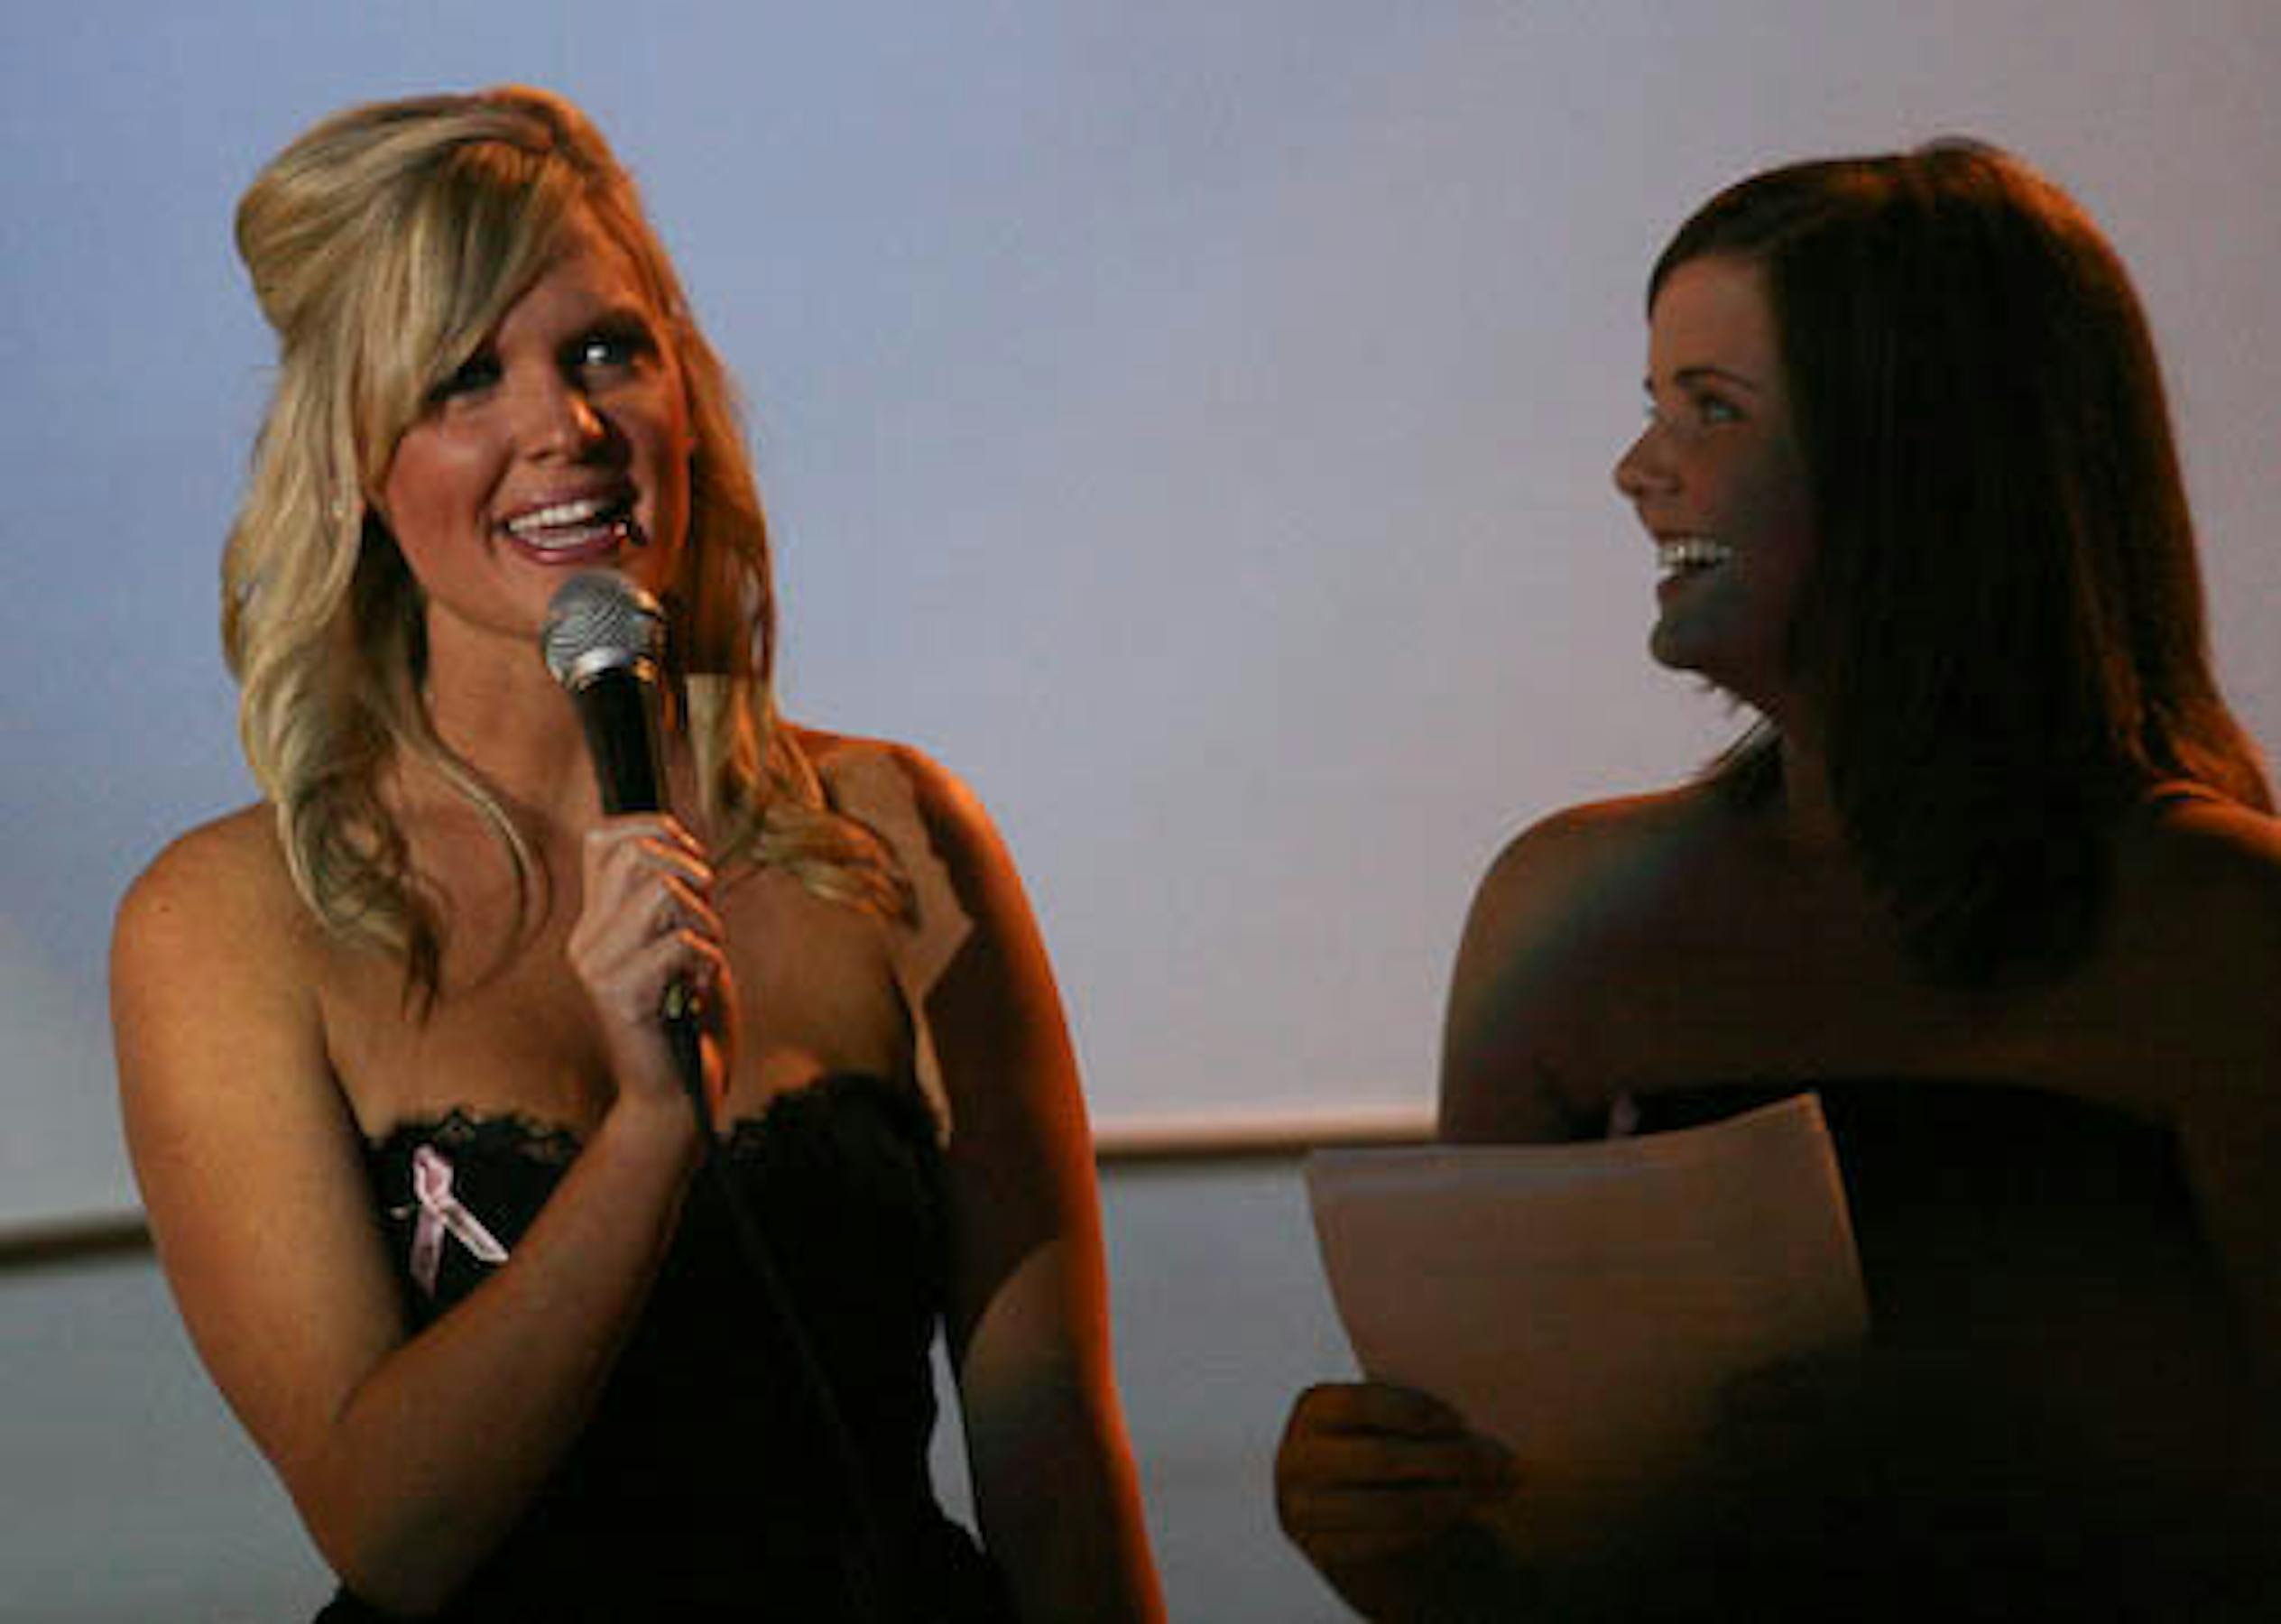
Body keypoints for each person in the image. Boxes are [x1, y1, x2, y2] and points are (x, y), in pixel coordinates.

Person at [113, 86, 1163, 1623]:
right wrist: (651, 1130)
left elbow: (1052, 1455)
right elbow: (393, 1534)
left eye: (607, 351)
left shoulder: (897, 838)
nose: (566, 428)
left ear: (687, 392)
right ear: (354, 466)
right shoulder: (226, 925)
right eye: (466, 378)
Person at [1275, 140, 2281, 1619]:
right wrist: (1380, 1526)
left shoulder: (2218, 923)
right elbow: (1504, 1561)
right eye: (1654, 405)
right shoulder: (1567, 915)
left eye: (1714, 409)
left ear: (1922, 460)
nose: (1639, 471)